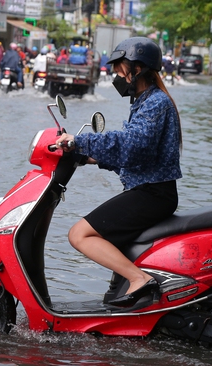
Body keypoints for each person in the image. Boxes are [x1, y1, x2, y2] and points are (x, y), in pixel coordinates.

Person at [54, 37, 183, 308]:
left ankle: (141, 280)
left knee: (79, 235)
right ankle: (124, 292)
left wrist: (80, 140)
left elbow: (132, 144)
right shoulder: (145, 102)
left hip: (152, 193)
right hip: (148, 188)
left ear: (137, 69)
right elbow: (137, 156)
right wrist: (88, 157)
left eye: (119, 69)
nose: (116, 76)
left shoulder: (155, 103)